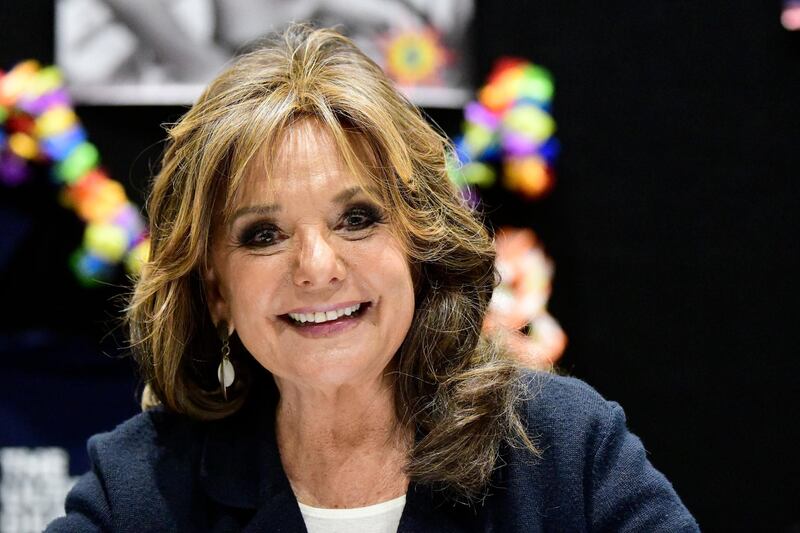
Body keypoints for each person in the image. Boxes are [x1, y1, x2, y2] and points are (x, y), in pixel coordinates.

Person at [47, 24, 699, 532]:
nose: (317, 267)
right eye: (263, 234)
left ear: (419, 241)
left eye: (356, 218)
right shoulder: (141, 486)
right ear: (216, 289)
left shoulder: (564, 448)